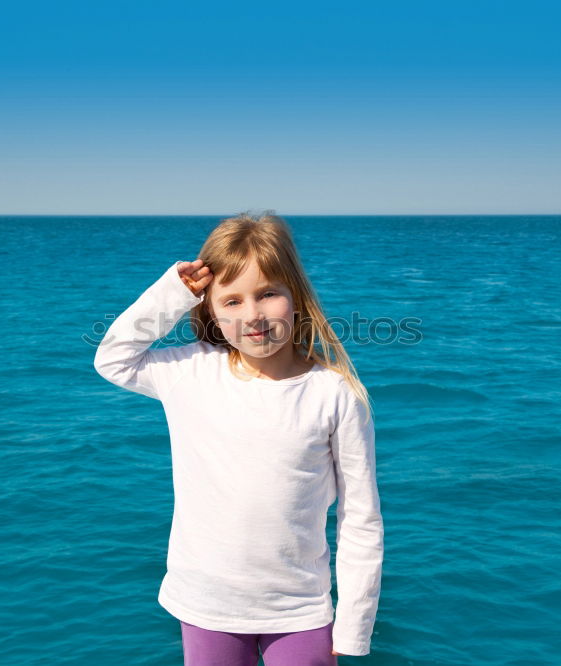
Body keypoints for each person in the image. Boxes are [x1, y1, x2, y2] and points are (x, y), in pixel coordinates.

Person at [93, 210, 384, 664]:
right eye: (231, 301)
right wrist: (172, 293)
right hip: (207, 604)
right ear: (208, 307)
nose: (253, 315)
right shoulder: (190, 371)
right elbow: (114, 359)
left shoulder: (335, 394)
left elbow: (360, 519)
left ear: (297, 296)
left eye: (268, 294)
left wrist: (352, 627)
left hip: (299, 610)